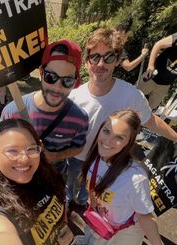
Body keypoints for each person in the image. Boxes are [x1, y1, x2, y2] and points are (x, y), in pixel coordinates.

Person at [66, 28, 177, 210]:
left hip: (107, 160)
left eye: (108, 57)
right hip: (75, 157)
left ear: (117, 60)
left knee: (91, 194)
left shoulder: (131, 95)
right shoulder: (73, 97)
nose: (101, 63)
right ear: (87, 62)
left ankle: (84, 203)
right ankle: (68, 202)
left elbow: (150, 120)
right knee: (68, 186)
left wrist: (175, 137)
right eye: (95, 57)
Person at [75, 110, 177, 245]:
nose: (108, 141)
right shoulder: (97, 155)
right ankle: (89, 240)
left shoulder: (134, 178)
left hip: (120, 228)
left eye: (119, 137)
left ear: (128, 142)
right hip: (99, 213)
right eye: (106, 131)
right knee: (93, 230)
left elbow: (145, 215)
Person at [1, 40, 89, 174]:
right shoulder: (12, 113)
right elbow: (1, 149)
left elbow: (78, 148)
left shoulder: (80, 119)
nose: (57, 88)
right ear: (41, 73)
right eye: (51, 77)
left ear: (75, 82)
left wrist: (54, 156)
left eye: (67, 81)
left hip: (55, 176)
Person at [138, 32, 177, 109]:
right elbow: (158, 45)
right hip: (152, 76)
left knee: (149, 109)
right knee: (133, 97)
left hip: (165, 85)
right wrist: (150, 65)